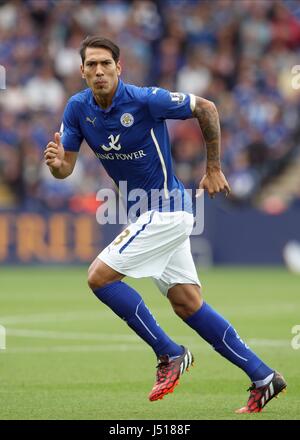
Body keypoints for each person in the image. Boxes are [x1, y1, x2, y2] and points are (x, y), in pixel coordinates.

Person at [44, 36, 286, 413]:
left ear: (118, 68)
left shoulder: (144, 99)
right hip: (147, 215)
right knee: (188, 304)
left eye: (106, 63)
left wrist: (213, 168)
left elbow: (205, 108)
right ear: (82, 72)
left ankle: (169, 353)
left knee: (99, 277)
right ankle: (263, 376)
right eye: (91, 65)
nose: (99, 71)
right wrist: (57, 163)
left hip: (168, 210)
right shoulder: (77, 108)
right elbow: (66, 169)